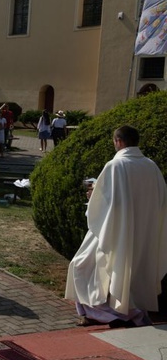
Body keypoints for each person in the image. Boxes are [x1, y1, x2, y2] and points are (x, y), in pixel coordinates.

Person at [65, 125, 167, 328]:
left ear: (118, 141)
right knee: (128, 274)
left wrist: (93, 197)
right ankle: (123, 313)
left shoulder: (115, 165)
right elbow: (161, 200)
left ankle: (110, 315)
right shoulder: (151, 166)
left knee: (81, 265)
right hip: (143, 232)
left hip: (115, 230)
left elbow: (107, 204)